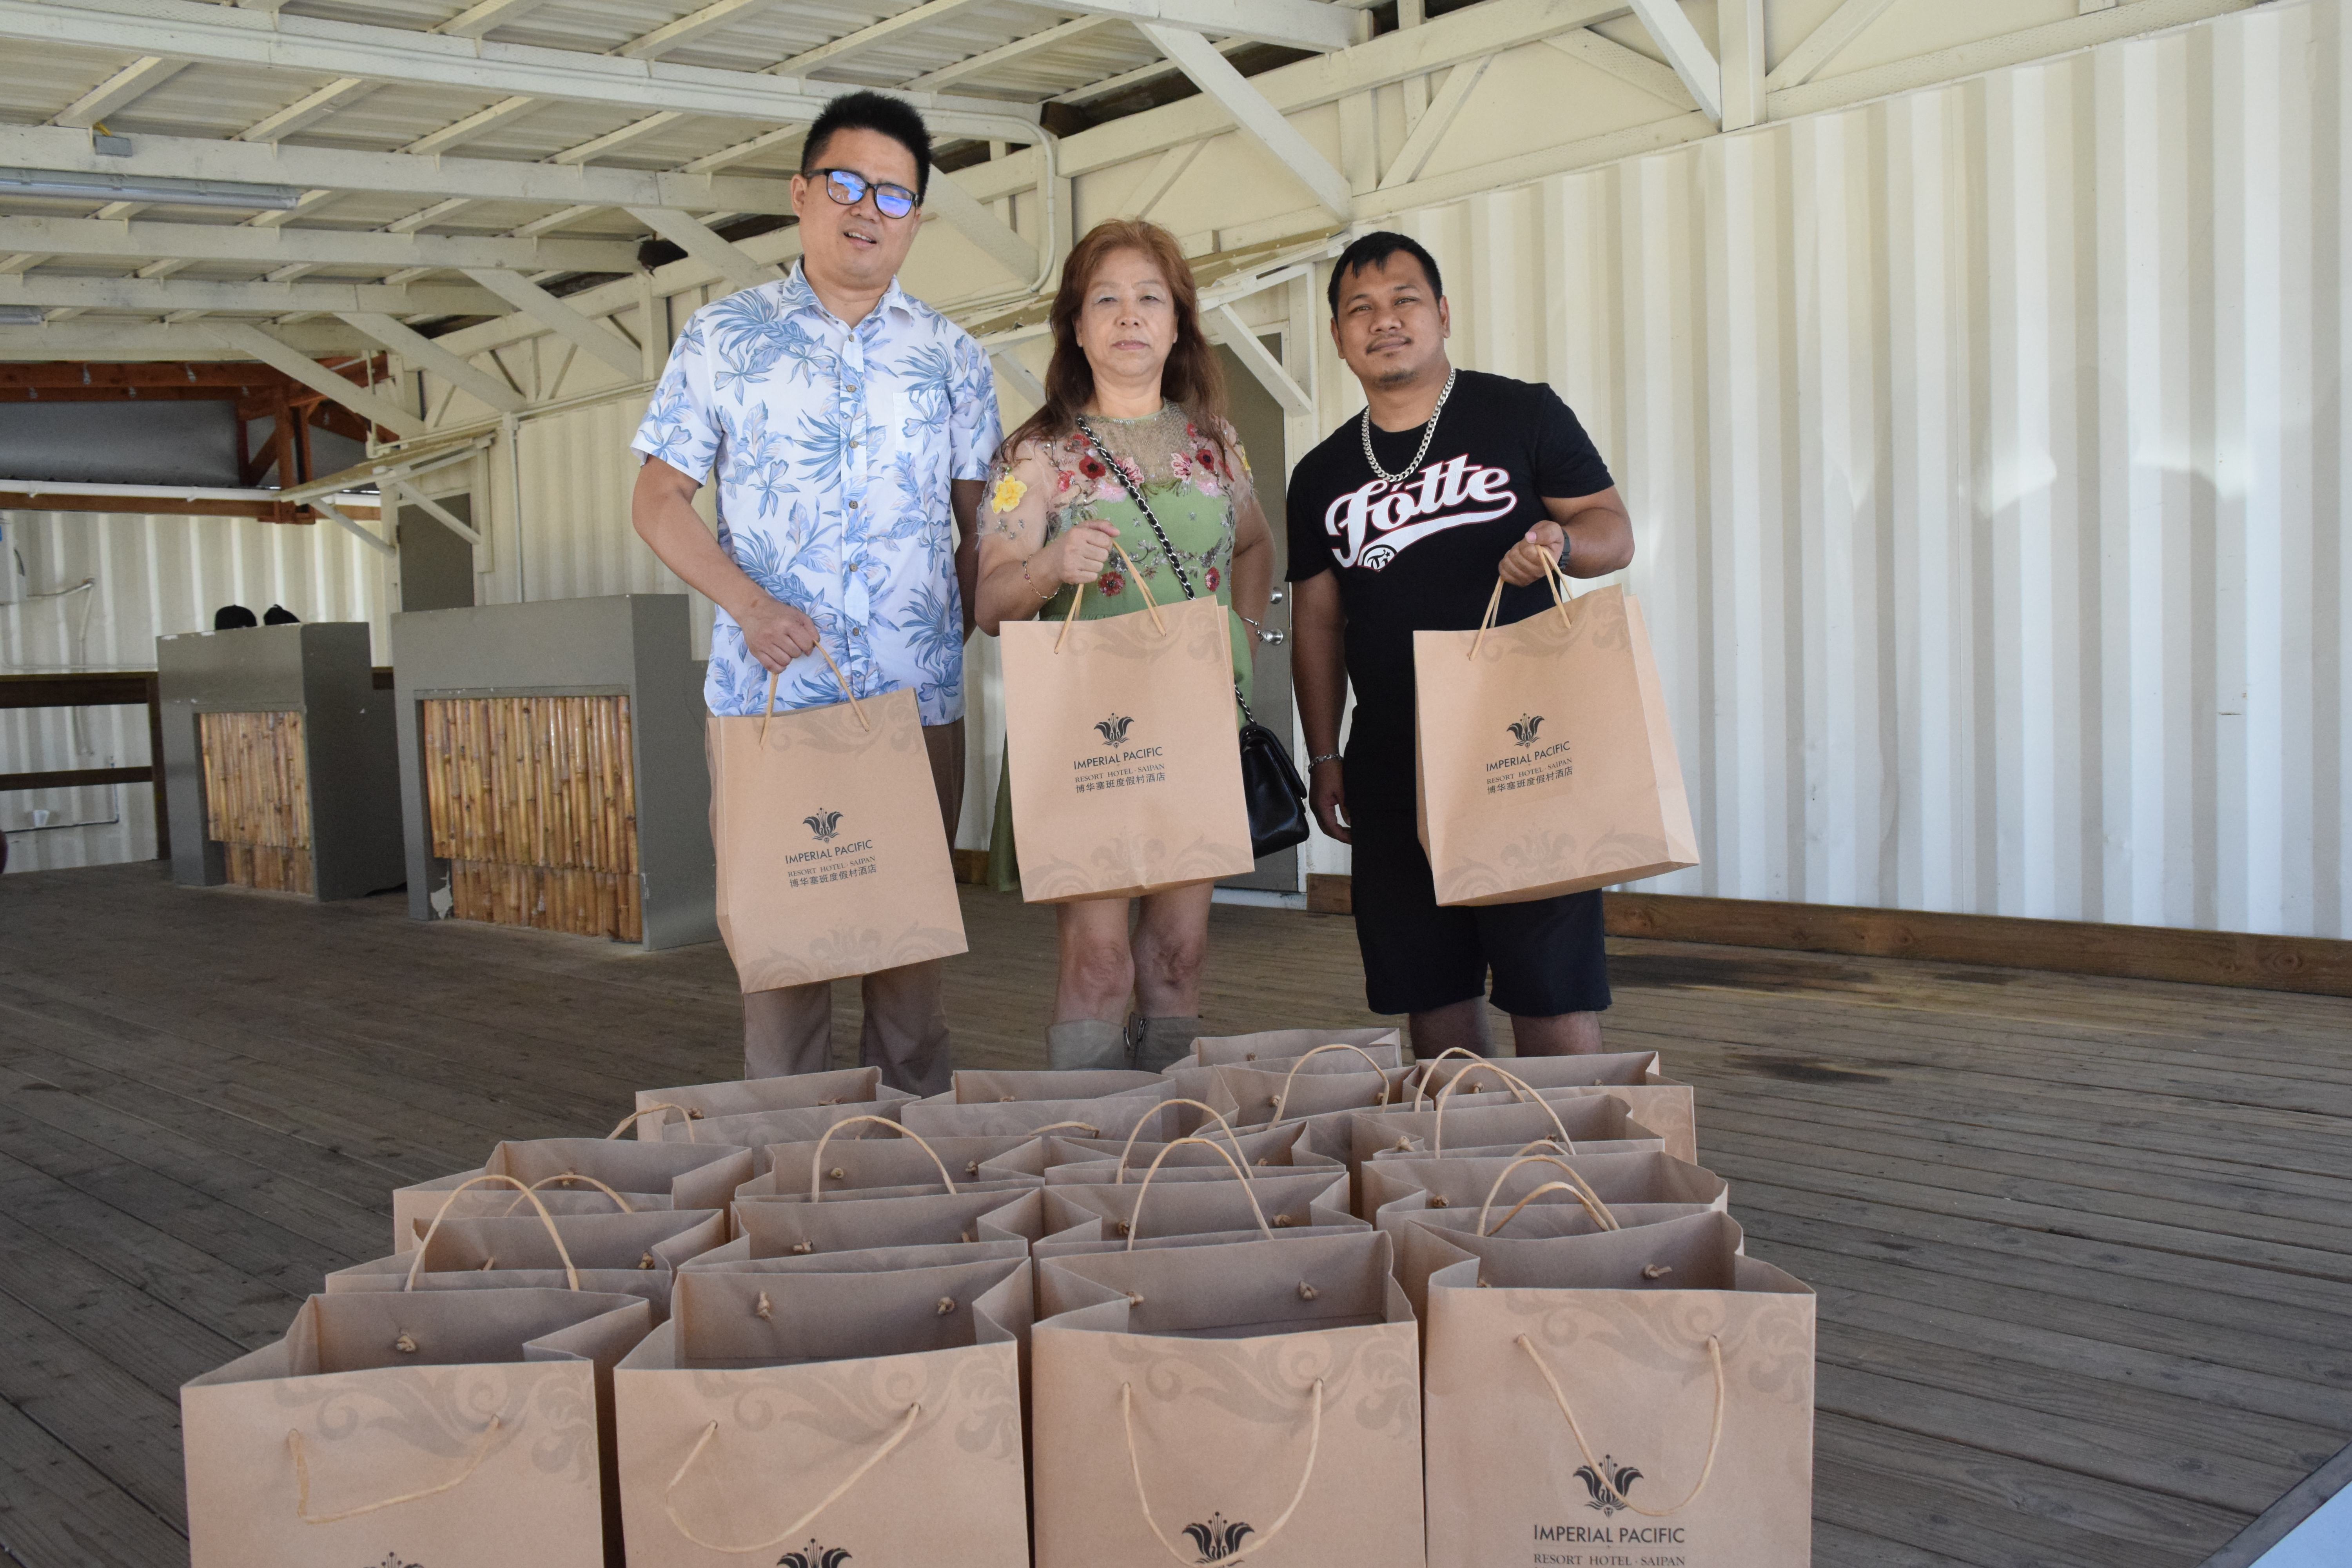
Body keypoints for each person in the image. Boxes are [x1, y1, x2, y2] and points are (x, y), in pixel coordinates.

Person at [630, 90, 1000, 1092]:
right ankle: (796, 1208)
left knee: (909, 978)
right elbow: (658, 500)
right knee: (784, 975)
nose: (865, 207)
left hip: (912, 701)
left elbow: (981, 528)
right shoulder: (722, 338)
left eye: (893, 191)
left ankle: (917, 1190)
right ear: (801, 195)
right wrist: (748, 605)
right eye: (844, 182)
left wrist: (959, 626)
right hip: (770, 703)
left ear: (915, 216)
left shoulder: (956, 359)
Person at [1286, 232, 1635, 1058]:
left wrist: (1558, 540)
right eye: (1359, 309)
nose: (1385, 321)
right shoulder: (1323, 472)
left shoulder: (1520, 412)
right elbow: (1318, 621)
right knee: (1430, 989)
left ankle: (1574, 1178)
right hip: (1391, 755)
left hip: (1525, 744)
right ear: (1338, 336)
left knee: (1549, 986)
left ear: (1441, 313)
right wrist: (1325, 756)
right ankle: (1462, 1169)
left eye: (1405, 300)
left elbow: (1612, 532)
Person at [975, 219, 1276, 1072]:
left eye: (1151, 297)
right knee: (1100, 960)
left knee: (1178, 954)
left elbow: (1255, 545)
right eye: (1105, 298)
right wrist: (1048, 564)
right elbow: (991, 601)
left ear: (1178, 322)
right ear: (1076, 325)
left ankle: (1169, 1148)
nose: (1129, 315)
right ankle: (1090, 1148)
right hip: (1088, 733)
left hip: (1195, 723)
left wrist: (1243, 632)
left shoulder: (1215, 444)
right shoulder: (1035, 455)